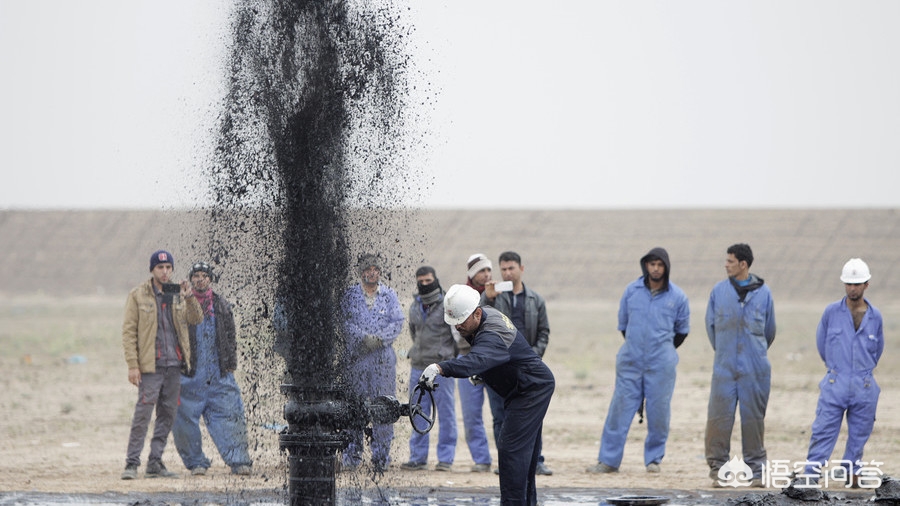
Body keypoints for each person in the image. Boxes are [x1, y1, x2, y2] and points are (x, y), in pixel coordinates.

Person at [420, 284, 555, 506]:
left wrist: (440, 368)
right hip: (524, 387)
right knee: (525, 455)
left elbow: (478, 359)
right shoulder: (483, 318)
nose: (459, 327)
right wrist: (485, 372)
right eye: (455, 323)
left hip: (530, 391)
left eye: (462, 321)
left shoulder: (492, 331)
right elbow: (499, 358)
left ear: (477, 313)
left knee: (511, 449)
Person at [587, 247, 690, 474]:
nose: (655, 268)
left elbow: (682, 331)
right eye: (651, 264)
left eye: (659, 264)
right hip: (630, 361)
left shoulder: (677, 296)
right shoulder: (631, 291)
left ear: (666, 267)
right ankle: (608, 461)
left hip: (661, 364)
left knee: (659, 413)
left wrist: (661, 349)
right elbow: (623, 325)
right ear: (645, 265)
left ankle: (653, 460)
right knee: (619, 411)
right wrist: (638, 347)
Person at [121, 250, 203, 480]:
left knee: (167, 415)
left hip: (174, 365)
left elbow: (196, 319)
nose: (165, 272)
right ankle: (131, 463)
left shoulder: (176, 293)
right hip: (150, 366)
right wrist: (132, 365)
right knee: (143, 415)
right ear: (152, 270)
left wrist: (188, 297)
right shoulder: (138, 295)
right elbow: (128, 333)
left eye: (168, 268)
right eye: (160, 268)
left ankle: (155, 462)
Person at [802, 258, 884, 484]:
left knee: (859, 435)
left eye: (857, 284)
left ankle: (852, 476)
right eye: (848, 283)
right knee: (823, 431)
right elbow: (822, 344)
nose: (852, 288)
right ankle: (810, 477)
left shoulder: (875, 317)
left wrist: (862, 372)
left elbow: (877, 350)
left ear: (866, 284)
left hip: (864, 385)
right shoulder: (831, 313)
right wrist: (836, 370)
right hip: (835, 383)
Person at [705, 243, 776, 487]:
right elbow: (711, 327)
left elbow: (769, 330)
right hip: (724, 368)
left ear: (743, 264)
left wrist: (752, 353)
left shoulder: (764, 293)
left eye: (730, 261)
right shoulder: (718, 291)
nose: (726, 264)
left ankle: (756, 471)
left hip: (755, 369)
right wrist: (726, 353)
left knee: (753, 420)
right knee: (718, 419)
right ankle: (718, 470)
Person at [172, 262, 252, 476]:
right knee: (183, 418)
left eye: (204, 275)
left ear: (210, 279)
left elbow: (230, 337)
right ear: (190, 280)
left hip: (219, 373)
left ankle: (239, 461)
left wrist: (230, 364)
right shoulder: (180, 304)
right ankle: (196, 462)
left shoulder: (222, 305)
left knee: (230, 414)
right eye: (196, 275)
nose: (200, 279)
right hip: (190, 374)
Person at [482, 251, 554, 476]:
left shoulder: (536, 299)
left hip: (528, 368)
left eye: (511, 268)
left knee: (532, 415)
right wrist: (489, 298)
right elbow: (481, 321)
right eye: (503, 269)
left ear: (521, 269)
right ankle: (506, 461)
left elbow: (544, 332)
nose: (507, 273)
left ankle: (537, 460)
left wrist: (533, 357)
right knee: (500, 416)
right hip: (499, 367)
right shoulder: (495, 297)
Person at [341, 253, 405, 472]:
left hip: (382, 361)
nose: (372, 272)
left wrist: (379, 339)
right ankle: (352, 455)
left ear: (380, 271)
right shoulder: (350, 295)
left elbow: (397, 322)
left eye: (375, 268)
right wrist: (362, 338)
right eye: (368, 269)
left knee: (383, 407)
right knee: (354, 407)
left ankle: (380, 457)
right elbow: (344, 322)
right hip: (357, 359)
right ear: (361, 272)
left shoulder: (389, 295)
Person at [400, 266, 459, 472]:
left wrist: (447, 358)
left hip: (442, 368)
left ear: (435, 279)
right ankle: (418, 457)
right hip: (418, 366)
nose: (424, 284)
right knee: (416, 411)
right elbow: (413, 332)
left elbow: (456, 337)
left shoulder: (447, 305)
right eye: (421, 281)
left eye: (428, 280)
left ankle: (446, 458)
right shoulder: (415, 305)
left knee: (446, 412)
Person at [453, 253, 494, 472]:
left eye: (489, 270)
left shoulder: (497, 295)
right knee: (471, 414)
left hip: (494, 360)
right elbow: (457, 330)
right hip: (468, 358)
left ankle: (509, 458)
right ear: (472, 274)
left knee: (502, 412)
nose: (487, 274)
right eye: (481, 270)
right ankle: (481, 459)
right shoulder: (461, 297)